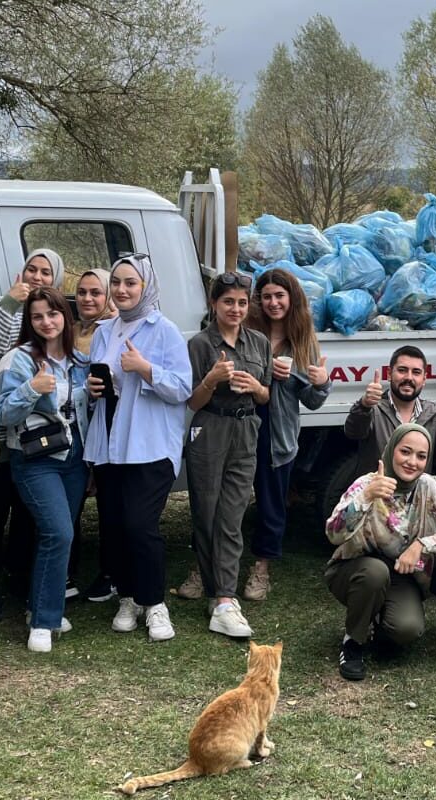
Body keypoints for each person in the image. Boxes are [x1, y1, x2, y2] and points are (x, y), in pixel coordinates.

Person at [86, 254, 190, 641]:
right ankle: (128, 597)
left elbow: (182, 388)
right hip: (110, 443)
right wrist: (91, 389)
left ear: (146, 287)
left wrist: (146, 369)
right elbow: (98, 383)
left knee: (140, 525)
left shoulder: (164, 330)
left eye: (131, 283)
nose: (122, 290)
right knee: (113, 525)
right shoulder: (103, 331)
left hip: (148, 445)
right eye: (117, 283)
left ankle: (155, 604)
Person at [0, 249, 65, 618]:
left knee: (28, 514)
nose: (37, 276)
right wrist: (11, 302)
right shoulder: (4, 307)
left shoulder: (54, 319)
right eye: (32, 268)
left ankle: (19, 576)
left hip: (36, 440)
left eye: (46, 272)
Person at [0, 288, 89, 652]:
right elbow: (3, 413)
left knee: (54, 536)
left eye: (52, 314)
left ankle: (40, 606)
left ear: (65, 316)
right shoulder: (18, 360)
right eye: (37, 316)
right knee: (59, 532)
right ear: (29, 322)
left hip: (75, 459)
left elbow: (83, 415)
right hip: (36, 459)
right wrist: (32, 389)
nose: (46, 322)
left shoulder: (79, 361)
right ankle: (43, 621)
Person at [324, 424, 436, 681]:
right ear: (391, 449)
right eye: (405, 451)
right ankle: (353, 642)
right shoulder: (367, 483)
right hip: (356, 568)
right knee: (375, 572)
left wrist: (422, 545)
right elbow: (333, 534)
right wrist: (365, 498)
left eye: (421, 456)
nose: (412, 462)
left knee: (407, 629)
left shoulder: (430, 488)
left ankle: (378, 622)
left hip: (400, 575)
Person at [181, 272, 271, 638]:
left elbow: (267, 397)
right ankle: (210, 583)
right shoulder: (201, 344)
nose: (235, 309)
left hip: (246, 429)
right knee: (206, 511)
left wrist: (256, 387)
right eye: (228, 302)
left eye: (241, 302)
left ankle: (224, 598)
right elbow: (192, 401)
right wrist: (212, 379)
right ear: (214, 305)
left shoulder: (260, 342)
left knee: (232, 515)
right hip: (210, 428)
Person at [245, 268, 333, 601]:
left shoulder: (304, 338)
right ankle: (209, 563)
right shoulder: (248, 331)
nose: (273, 302)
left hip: (278, 431)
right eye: (266, 296)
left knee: (270, 503)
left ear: (291, 298)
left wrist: (317, 379)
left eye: (279, 295)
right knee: (228, 501)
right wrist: (268, 368)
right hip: (241, 424)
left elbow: (311, 401)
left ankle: (261, 569)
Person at [344, 345, 436, 479]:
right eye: (402, 370)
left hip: (416, 498)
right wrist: (364, 405)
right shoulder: (373, 409)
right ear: (389, 374)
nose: (409, 378)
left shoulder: (432, 413)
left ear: (424, 380)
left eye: (416, 372)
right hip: (378, 496)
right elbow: (353, 432)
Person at [70, 266, 117, 602]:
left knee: (109, 505)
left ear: (108, 297)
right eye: (82, 292)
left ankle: (110, 574)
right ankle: (68, 573)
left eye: (95, 292)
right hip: (73, 427)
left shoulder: (111, 331)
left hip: (102, 425)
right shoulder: (72, 328)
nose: (87, 298)